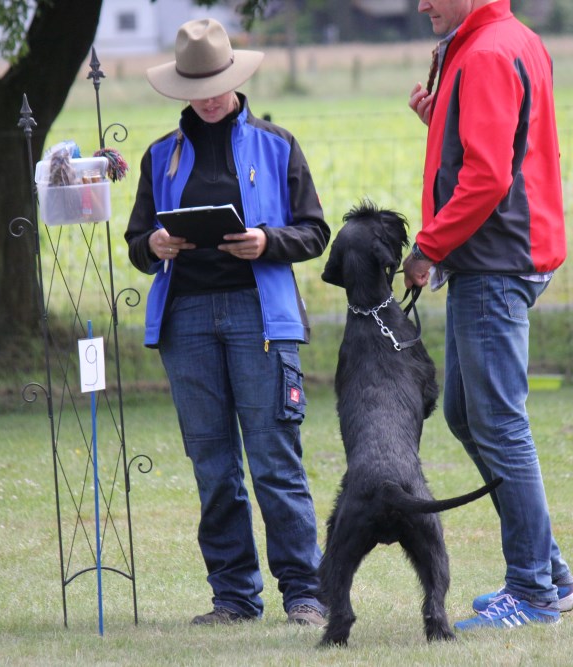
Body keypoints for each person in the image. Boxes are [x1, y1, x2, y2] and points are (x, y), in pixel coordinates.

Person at [124, 18, 330, 628]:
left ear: (236, 80)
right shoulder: (159, 155)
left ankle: (305, 593)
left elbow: (315, 231)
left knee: (274, 460)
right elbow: (137, 241)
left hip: (260, 317)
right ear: (182, 88)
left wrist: (267, 241)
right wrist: (154, 244)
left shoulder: (278, 143)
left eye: (219, 82)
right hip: (184, 319)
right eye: (198, 85)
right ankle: (234, 597)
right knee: (213, 466)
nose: (210, 95)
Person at [403, 0, 573, 631]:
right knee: (463, 412)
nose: (421, 2)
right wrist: (440, 121)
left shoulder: (482, 53)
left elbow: (485, 176)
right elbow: (501, 145)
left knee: (499, 423)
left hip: (494, 259)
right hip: (498, 253)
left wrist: (428, 246)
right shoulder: (506, 38)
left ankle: (532, 589)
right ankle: (551, 574)